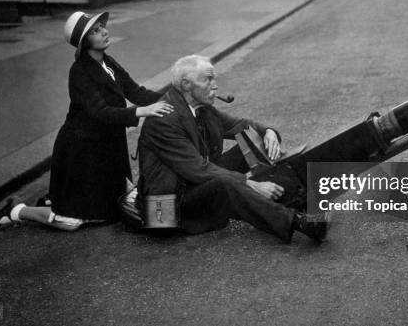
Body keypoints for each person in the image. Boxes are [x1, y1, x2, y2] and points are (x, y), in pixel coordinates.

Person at [0, 11, 173, 232]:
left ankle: (56, 199)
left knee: (116, 208)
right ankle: (17, 210)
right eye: (95, 31)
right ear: (84, 42)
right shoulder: (80, 72)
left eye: (102, 27)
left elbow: (136, 91)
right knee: (73, 222)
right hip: (82, 150)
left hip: (107, 148)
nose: (104, 31)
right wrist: (143, 111)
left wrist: (175, 96)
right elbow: (101, 112)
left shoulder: (108, 63)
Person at [137, 55, 328, 243]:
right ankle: (297, 221)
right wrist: (249, 183)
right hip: (165, 211)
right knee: (227, 183)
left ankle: (291, 197)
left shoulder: (200, 107)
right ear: (186, 84)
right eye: (207, 80)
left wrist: (268, 132)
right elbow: (197, 169)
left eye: (214, 79)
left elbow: (243, 127)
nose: (215, 85)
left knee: (249, 144)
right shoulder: (164, 120)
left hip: (190, 185)